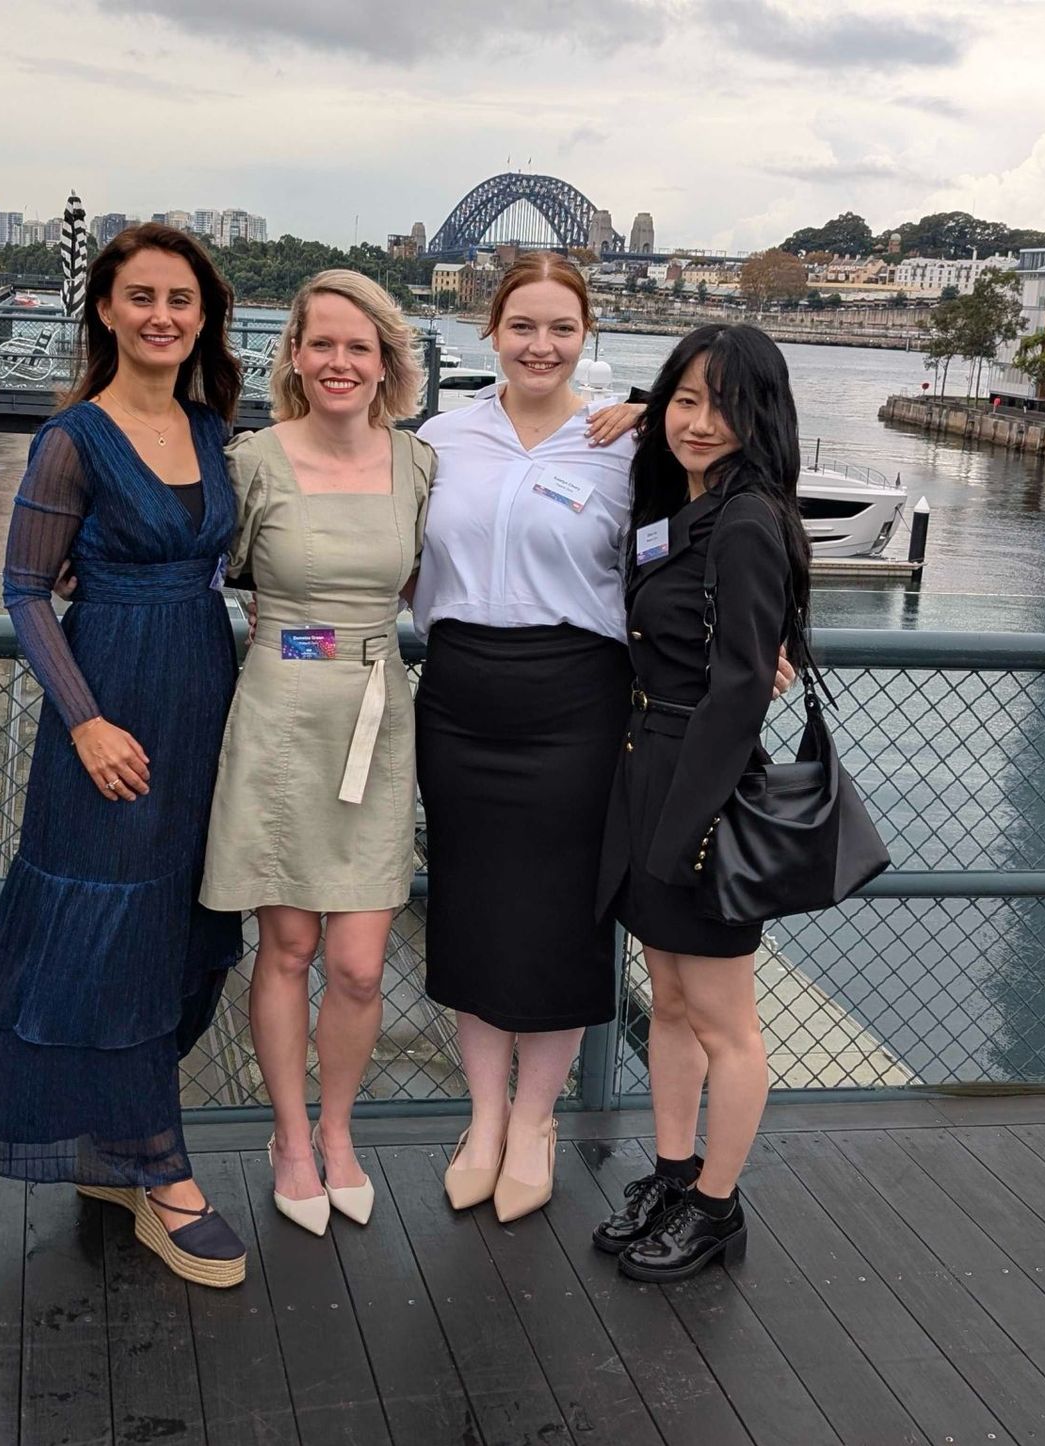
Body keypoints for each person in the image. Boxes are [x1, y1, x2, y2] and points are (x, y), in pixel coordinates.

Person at [0, 224, 249, 1289]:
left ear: (204, 317)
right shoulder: (73, 437)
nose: (162, 316)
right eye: (141, 296)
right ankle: (161, 1172)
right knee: (116, 934)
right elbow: (22, 587)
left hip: (204, 698)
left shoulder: (209, 426)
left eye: (181, 300)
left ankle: (113, 1140)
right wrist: (86, 720)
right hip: (109, 711)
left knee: (190, 928)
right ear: (105, 308)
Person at [412, 253, 651, 1223]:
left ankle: (537, 1121)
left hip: (576, 702)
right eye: (523, 326)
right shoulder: (439, 436)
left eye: (561, 328)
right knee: (469, 903)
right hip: (461, 694)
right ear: (491, 331)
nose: (541, 345)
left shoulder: (624, 447)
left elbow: (740, 487)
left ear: (585, 335)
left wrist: (655, 400)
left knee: (559, 913)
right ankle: (482, 1119)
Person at [200, 271, 434, 1235]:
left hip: (380, 715)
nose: (341, 363)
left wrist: (625, 416)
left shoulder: (419, 462)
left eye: (360, 347)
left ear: (388, 363)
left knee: (361, 964)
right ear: (293, 356)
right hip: (282, 711)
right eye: (322, 344)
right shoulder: (253, 459)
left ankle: (341, 1130)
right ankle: (291, 1137)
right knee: (288, 945)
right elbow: (208, 563)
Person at [593, 323, 810, 1282]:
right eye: (686, 399)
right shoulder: (684, 504)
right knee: (669, 1002)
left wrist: (685, 830)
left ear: (759, 415)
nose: (700, 422)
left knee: (725, 1019)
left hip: (701, 785)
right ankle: (677, 1175)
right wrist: (652, 413)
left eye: (725, 405)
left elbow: (735, 692)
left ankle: (717, 1207)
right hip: (650, 762)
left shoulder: (749, 520)